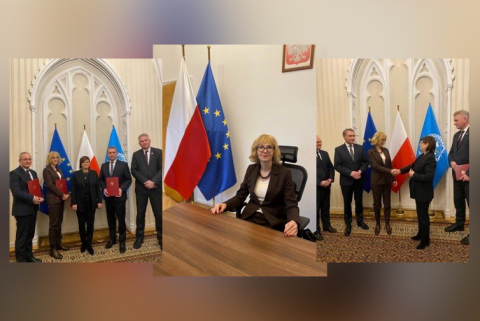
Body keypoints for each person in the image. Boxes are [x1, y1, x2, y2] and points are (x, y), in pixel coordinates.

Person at [210, 134, 300, 237]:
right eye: (261, 147)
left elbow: (291, 203)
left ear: (274, 151)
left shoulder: (285, 173)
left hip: (272, 221)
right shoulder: (251, 170)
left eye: (269, 147)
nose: (265, 150)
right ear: (256, 150)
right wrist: (225, 205)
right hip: (250, 217)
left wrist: (294, 221)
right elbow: (240, 196)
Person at [393, 136, 437, 250]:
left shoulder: (430, 158)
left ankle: (425, 241)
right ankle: (420, 234)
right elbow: (412, 166)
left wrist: (414, 175)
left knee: (423, 217)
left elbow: (429, 177)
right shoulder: (423, 155)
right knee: (420, 214)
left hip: (424, 192)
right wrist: (400, 171)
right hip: (419, 191)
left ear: (427, 144)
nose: (420, 144)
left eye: (421, 143)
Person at [334, 128, 369, 236]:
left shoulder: (360, 148)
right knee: (347, 203)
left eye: (354, 136)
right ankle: (348, 223)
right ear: (344, 137)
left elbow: (366, 162)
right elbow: (337, 165)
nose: (353, 138)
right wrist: (351, 173)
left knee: (359, 201)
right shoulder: (339, 149)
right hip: (346, 181)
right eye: (350, 136)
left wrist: (359, 171)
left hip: (359, 180)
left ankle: (360, 221)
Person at [10, 152, 44, 262]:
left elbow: (37, 187)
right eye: (25, 159)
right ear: (19, 161)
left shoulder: (33, 172)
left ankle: (29, 257)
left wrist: (41, 197)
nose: (28, 161)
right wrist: (33, 198)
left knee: (30, 235)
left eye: (29, 159)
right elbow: (17, 192)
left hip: (33, 209)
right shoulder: (14, 174)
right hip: (22, 210)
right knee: (22, 237)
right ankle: (21, 260)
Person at [131, 134, 162, 250]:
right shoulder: (136, 154)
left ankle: (161, 238)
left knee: (158, 214)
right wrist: (145, 182)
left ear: (149, 140)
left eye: (145, 140)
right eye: (141, 141)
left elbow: (162, 168)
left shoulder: (159, 152)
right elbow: (133, 170)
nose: (144, 142)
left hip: (156, 189)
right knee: (140, 214)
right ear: (139, 143)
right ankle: (139, 238)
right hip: (141, 190)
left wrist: (153, 182)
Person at [99, 147, 132, 253]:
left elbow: (128, 179)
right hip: (108, 198)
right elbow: (100, 180)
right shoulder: (104, 166)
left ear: (117, 154)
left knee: (121, 219)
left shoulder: (123, 165)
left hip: (119, 197)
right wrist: (104, 188)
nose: (112, 154)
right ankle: (112, 239)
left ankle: (122, 241)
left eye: (113, 152)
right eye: (110, 153)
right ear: (107, 154)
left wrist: (121, 189)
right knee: (110, 219)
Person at [445, 110, 469, 245]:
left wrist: (469, 174)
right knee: (458, 200)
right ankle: (459, 223)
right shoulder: (456, 136)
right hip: (457, 175)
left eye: (456, 120)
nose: (454, 123)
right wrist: (451, 161)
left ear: (465, 119)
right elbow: (451, 153)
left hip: (470, 177)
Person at [71, 156, 102, 255]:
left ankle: (89, 244)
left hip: (91, 203)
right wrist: (74, 203)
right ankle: (83, 243)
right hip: (79, 204)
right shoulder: (76, 174)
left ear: (89, 164)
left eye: (87, 162)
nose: (85, 164)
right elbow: (73, 190)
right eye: (84, 162)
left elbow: (98, 188)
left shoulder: (94, 173)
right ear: (81, 164)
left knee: (90, 224)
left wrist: (99, 201)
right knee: (81, 224)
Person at [43, 151, 70, 260]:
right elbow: (50, 185)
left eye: (57, 157)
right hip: (53, 200)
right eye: (53, 157)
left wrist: (65, 194)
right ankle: (52, 249)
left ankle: (58, 244)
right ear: (50, 159)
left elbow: (61, 184)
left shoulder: (59, 169)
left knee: (59, 222)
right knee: (53, 224)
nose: (55, 159)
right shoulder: (46, 170)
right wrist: (62, 194)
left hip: (61, 199)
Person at [368, 131, 394, 235]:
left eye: (385, 140)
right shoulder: (370, 152)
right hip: (376, 181)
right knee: (377, 203)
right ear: (378, 140)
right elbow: (375, 166)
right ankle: (378, 223)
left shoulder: (386, 150)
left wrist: (394, 178)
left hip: (387, 180)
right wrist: (389, 171)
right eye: (383, 140)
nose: (384, 142)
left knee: (387, 204)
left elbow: (390, 164)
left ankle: (387, 223)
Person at [316, 135, 336, 241]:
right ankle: (317, 230)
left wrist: (330, 179)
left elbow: (331, 168)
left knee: (325, 207)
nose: (319, 143)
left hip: (327, 186)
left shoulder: (324, 153)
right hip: (316, 188)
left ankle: (326, 226)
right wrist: (319, 182)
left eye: (320, 141)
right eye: (317, 142)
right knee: (316, 209)